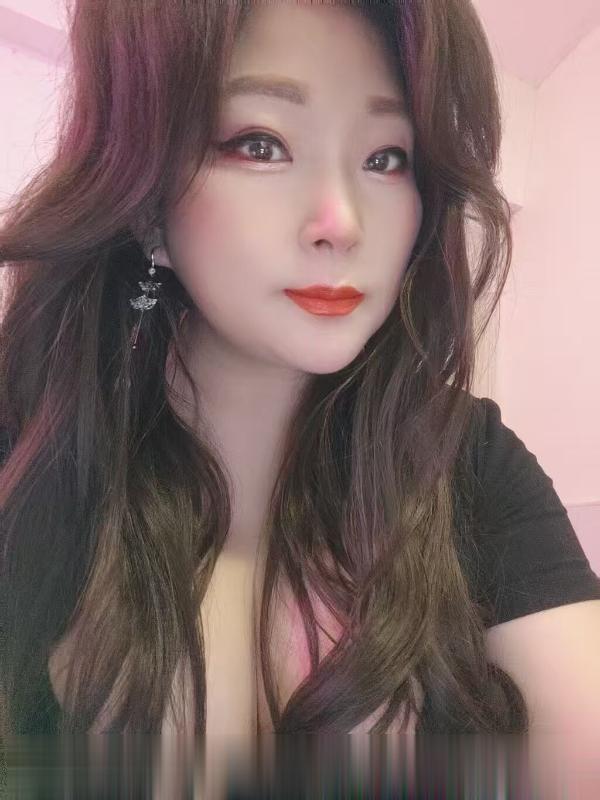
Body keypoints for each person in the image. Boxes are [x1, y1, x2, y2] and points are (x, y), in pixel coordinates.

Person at [1, 0, 599, 758]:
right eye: (261, 145)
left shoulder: (467, 460)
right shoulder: (27, 459)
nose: (342, 221)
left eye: (387, 158)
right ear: (145, 202)